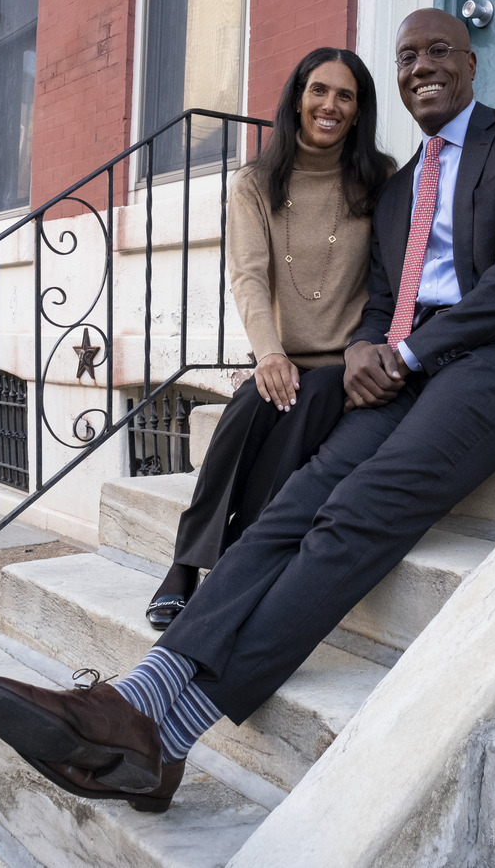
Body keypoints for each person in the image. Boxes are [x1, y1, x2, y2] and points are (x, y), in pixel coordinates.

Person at [0, 9, 495, 811]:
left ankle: (164, 738)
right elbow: (383, 299)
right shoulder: (401, 186)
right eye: (406, 56)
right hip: (412, 365)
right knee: (291, 504)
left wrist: (403, 352)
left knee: (356, 513)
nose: (420, 68)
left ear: (472, 63)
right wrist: (368, 351)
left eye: (437, 52)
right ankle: (143, 698)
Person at [144, 47, 395, 630]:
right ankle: (187, 562)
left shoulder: (380, 178)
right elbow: (249, 277)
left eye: (345, 95)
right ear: (297, 98)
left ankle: (233, 560)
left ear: (358, 111)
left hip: (347, 360)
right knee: (247, 406)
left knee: (305, 406)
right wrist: (270, 353)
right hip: (284, 356)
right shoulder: (255, 183)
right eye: (319, 91)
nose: (330, 105)